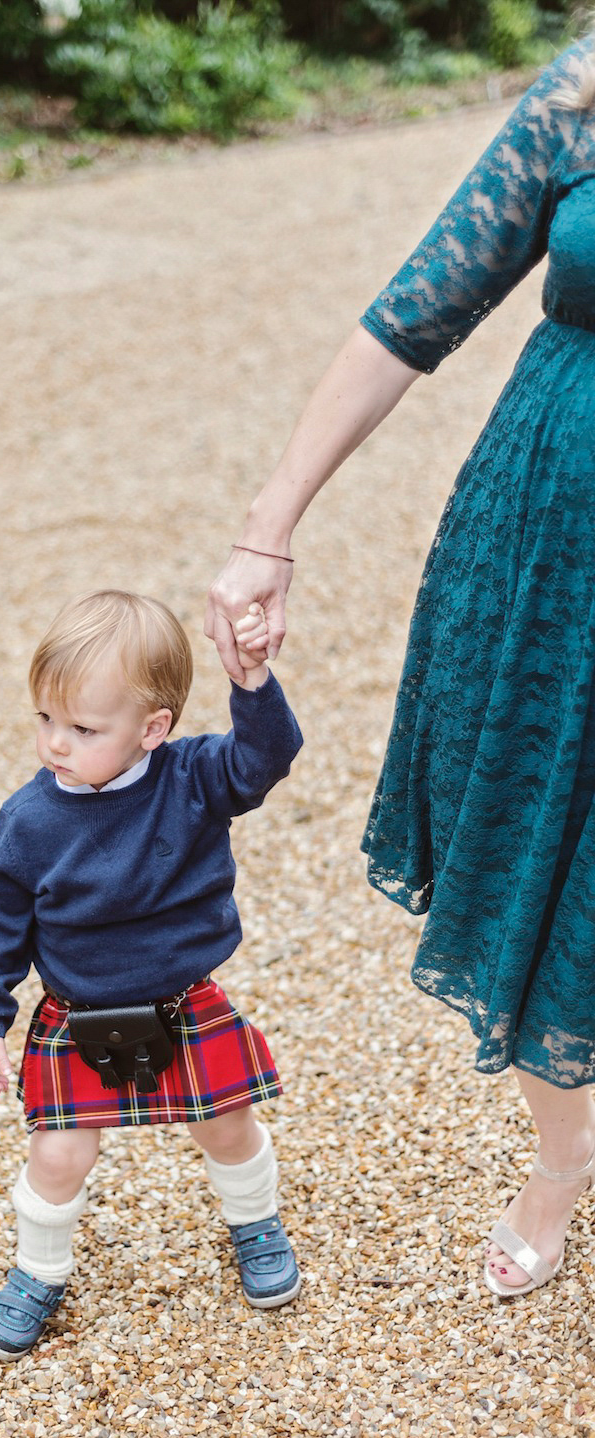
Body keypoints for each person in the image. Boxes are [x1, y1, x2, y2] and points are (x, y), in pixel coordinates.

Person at [205, 31, 595, 1297]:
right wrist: (271, 526)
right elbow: (415, 309)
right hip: (555, 549)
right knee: (541, 849)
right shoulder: (586, 97)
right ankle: (564, 1155)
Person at [0, 589, 303, 1359]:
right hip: (76, 1012)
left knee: (226, 1125)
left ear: (153, 730)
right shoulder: (28, 822)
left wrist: (251, 685)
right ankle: (37, 1271)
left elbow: (267, 758)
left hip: (184, 1002)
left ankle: (255, 1225)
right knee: (57, 1152)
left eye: (83, 728)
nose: (55, 744)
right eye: (45, 719)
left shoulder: (194, 778)